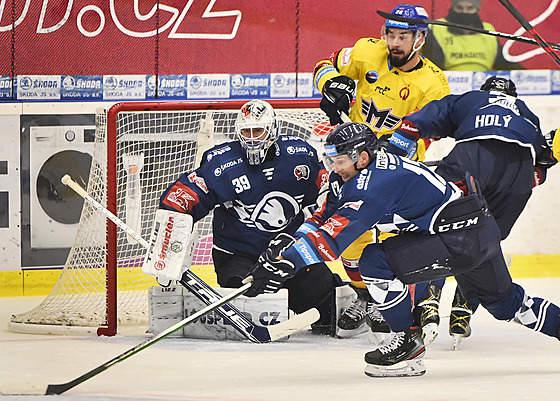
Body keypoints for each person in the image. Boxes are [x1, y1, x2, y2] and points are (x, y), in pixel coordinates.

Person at [243, 121, 560, 377]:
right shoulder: (358, 173)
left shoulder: (374, 184)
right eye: (331, 159)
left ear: (361, 157)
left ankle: (407, 345)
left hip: (459, 239)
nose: (333, 166)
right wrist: (286, 247)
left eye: (338, 160)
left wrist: (289, 263)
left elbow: (333, 240)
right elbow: (322, 217)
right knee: (506, 303)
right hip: (475, 228)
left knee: (375, 260)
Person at [386, 76, 558, 347]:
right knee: (480, 242)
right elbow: (540, 170)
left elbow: (423, 119)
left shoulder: (473, 100)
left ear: (484, 92)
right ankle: (468, 295)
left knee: (436, 227)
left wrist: (393, 151)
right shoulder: (528, 114)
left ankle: (428, 295)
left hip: (473, 158)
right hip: (518, 178)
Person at [312, 4, 450, 338]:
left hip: (399, 172)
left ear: (419, 38)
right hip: (352, 166)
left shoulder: (433, 85)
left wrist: (387, 149)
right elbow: (324, 65)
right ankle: (364, 296)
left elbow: (429, 130)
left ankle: (393, 303)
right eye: (391, 34)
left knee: (395, 244)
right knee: (351, 238)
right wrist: (332, 85)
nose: (395, 42)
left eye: (403, 35)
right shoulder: (365, 51)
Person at [158, 99, 341, 335]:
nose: (253, 138)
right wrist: (167, 246)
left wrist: (307, 240)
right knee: (246, 300)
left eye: (258, 131)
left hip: (288, 255)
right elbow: (182, 198)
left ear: (273, 129)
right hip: (238, 256)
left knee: (331, 304)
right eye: (246, 131)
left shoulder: (301, 156)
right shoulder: (220, 163)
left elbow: (326, 197)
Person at [421, 0, 524, 71]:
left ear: (477, 9)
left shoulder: (488, 30)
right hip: (448, 83)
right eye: (459, 8)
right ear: (452, 7)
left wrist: (525, 74)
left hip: (483, 85)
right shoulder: (436, 28)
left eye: (470, 8)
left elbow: (503, 62)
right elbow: (433, 66)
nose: (464, 12)